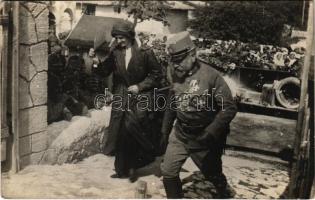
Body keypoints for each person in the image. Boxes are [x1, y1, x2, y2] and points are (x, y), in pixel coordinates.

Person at [159, 31, 238, 198]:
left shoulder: (211, 76)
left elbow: (229, 107)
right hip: (180, 133)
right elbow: (172, 102)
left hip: (204, 136)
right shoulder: (172, 72)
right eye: (173, 61)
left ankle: (223, 192)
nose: (176, 65)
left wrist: (210, 133)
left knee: (212, 173)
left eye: (179, 60)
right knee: (168, 171)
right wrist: (165, 131)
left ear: (193, 55)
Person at [96, 20, 162, 182]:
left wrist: (140, 86)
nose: (119, 41)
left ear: (130, 36)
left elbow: (156, 75)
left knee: (133, 127)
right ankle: (122, 169)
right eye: (117, 38)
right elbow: (105, 71)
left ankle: (138, 162)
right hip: (121, 93)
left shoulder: (145, 52)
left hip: (141, 95)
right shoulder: (116, 52)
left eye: (122, 38)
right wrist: (97, 62)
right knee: (119, 129)